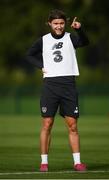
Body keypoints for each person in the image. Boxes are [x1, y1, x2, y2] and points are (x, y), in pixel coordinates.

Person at [26, 9, 89, 172]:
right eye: (55, 23)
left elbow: (84, 42)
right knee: (47, 123)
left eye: (61, 23)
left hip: (68, 84)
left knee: (73, 125)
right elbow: (29, 55)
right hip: (50, 86)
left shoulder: (71, 37)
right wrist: (42, 66)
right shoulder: (43, 40)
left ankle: (77, 162)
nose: (59, 26)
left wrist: (79, 29)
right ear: (49, 24)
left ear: (65, 23)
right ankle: (44, 163)